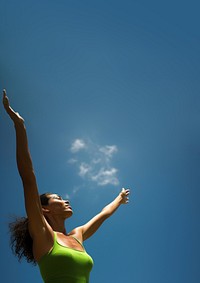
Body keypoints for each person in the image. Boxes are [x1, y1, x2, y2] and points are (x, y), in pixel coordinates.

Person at [3, 89, 130, 283]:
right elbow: (28, 178)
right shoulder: (43, 234)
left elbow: (103, 214)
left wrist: (119, 200)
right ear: (44, 209)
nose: (66, 200)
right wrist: (20, 126)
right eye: (58, 199)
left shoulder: (77, 235)